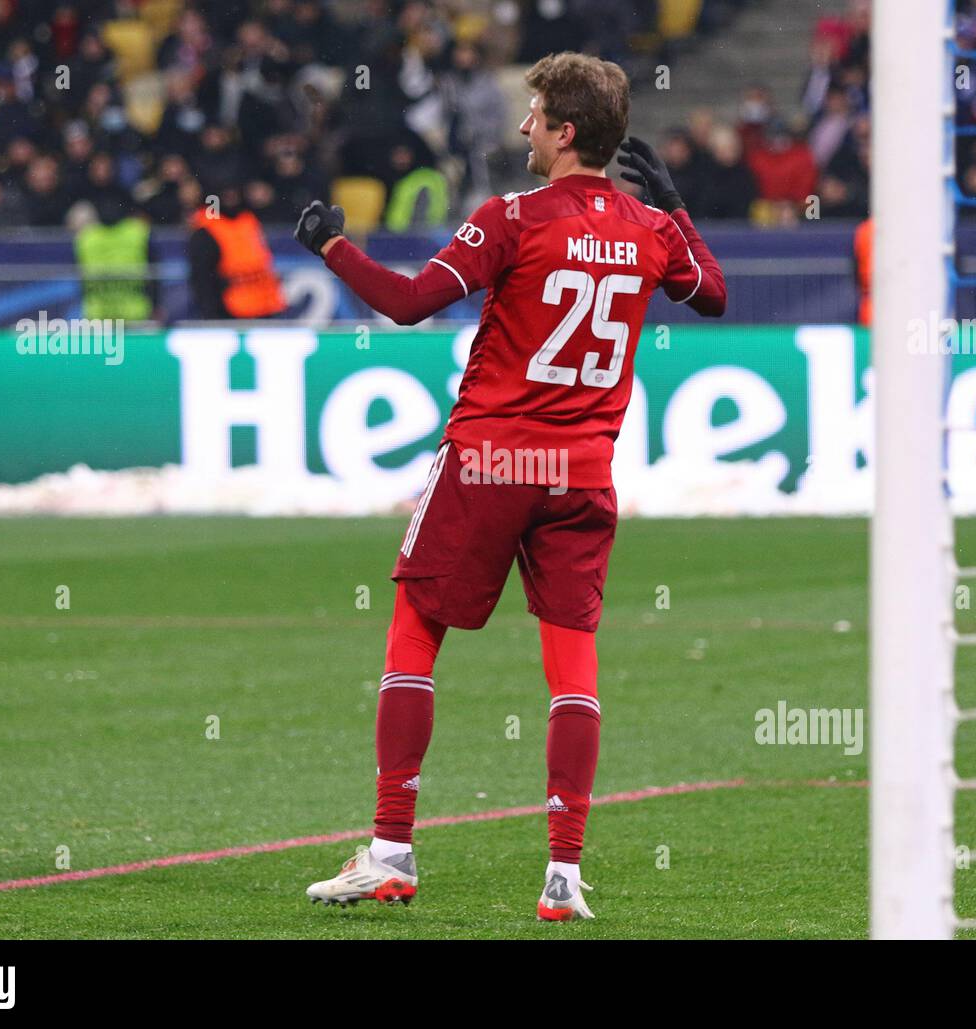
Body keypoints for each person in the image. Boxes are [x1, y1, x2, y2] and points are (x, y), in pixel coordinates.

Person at [294, 51, 726, 922]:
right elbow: (712, 294)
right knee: (572, 664)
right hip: (581, 473)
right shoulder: (645, 227)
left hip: (491, 460)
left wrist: (334, 246)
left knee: (416, 628)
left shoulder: (514, 218)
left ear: (566, 132)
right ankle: (563, 875)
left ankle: (389, 851)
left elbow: (413, 301)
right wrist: (675, 209)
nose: (523, 126)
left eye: (534, 114)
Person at [186, 183, 285, 319]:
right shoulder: (206, 231)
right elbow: (203, 279)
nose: (231, 197)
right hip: (231, 309)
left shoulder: (249, 220)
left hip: (266, 304)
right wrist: (213, 314)